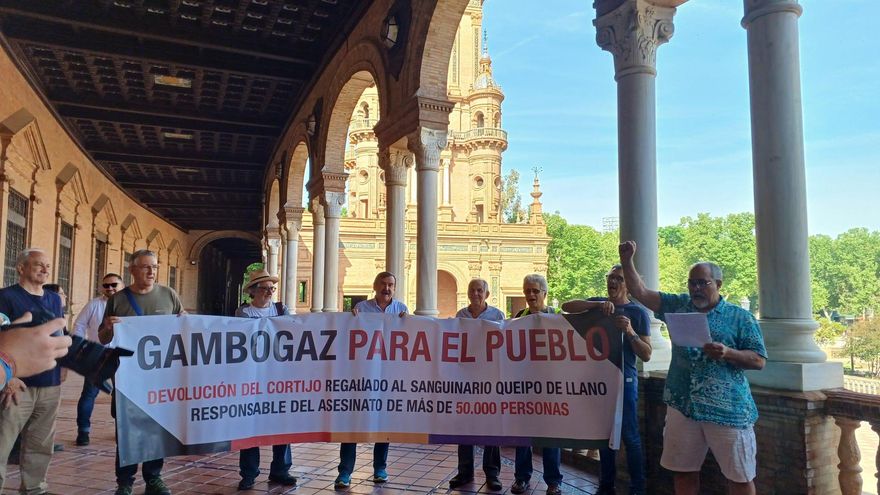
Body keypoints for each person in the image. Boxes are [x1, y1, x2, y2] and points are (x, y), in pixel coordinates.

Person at [618, 241, 766, 495]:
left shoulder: (741, 317)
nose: (696, 288)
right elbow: (640, 291)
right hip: (683, 405)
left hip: (728, 410)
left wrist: (728, 353)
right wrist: (627, 260)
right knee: (683, 472)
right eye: (692, 283)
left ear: (718, 285)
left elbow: (759, 360)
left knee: (739, 477)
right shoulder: (678, 305)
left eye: (703, 283)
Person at [562, 265, 652, 495]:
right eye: (610, 277)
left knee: (629, 436)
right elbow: (566, 307)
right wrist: (596, 305)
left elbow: (647, 353)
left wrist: (630, 331)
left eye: (619, 279)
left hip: (625, 380)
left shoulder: (638, 312)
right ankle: (606, 485)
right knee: (604, 436)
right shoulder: (599, 305)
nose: (613, 282)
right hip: (598, 381)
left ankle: (637, 488)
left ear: (628, 285)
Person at [99, 249, 182, 495]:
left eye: (154, 267)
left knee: (157, 429)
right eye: (146, 267)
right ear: (132, 270)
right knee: (127, 430)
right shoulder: (118, 299)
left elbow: (182, 327)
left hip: (160, 379)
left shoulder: (169, 295)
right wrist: (107, 327)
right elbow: (102, 338)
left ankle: (153, 478)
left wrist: (186, 321)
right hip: (128, 378)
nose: (151, 272)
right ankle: (124, 482)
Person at [0, 249, 65, 494]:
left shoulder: (54, 299)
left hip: (50, 382)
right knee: (3, 441)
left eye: (48, 265)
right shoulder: (6, 297)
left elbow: (57, 335)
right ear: (21, 268)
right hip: (17, 385)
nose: (45, 269)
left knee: (41, 442)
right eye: (39, 265)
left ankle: (35, 488)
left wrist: (63, 367)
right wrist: (8, 377)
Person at [335, 271, 407, 489]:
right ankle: (345, 472)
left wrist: (408, 324)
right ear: (375, 285)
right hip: (362, 374)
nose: (387, 288)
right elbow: (348, 334)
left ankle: (380, 469)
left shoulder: (402, 310)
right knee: (352, 421)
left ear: (395, 287)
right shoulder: (362, 310)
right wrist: (351, 319)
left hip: (387, 375)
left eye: (391, 285)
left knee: (382, 423)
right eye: (383, 284)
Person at [234, 269, 297, 491]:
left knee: (282, 422)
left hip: (278, 375)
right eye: (265, 288)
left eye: (272, 288)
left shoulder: (281, 309)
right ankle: (249, 473)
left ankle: (281, 469)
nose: (270, 291)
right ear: (253, 291)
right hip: (252, 376)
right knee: (250, 425)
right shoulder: (243, 313)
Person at [449, 278, 504, 492]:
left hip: (489, 379)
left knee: (491, 428)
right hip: (466, 379)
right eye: (472, 290)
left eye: (480, 290)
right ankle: (464, 472)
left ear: (487, 294)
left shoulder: (497, 316)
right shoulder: (460, 316)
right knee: (464, 426)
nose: (476, 293)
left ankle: (492, 474)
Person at [511, 274, 563, 495]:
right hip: (525, 387)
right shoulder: (518, 317)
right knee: (523, 436)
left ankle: (553, 481)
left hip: (550, 387)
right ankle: (521, 478)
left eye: (535, 291)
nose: (530, 295)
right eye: (527, 291)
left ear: (544, 293)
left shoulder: (558, 317)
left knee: (551, 435)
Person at [71, 273, 122, 446]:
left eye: (113, 284)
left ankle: (121, 430)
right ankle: (83, 432)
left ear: (122, 284)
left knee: (122, 395)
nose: (110, 288)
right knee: (89, 394)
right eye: (106, 285)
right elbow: (79, 325)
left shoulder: (128, 304)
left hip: (122, 356)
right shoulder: (94, 304)